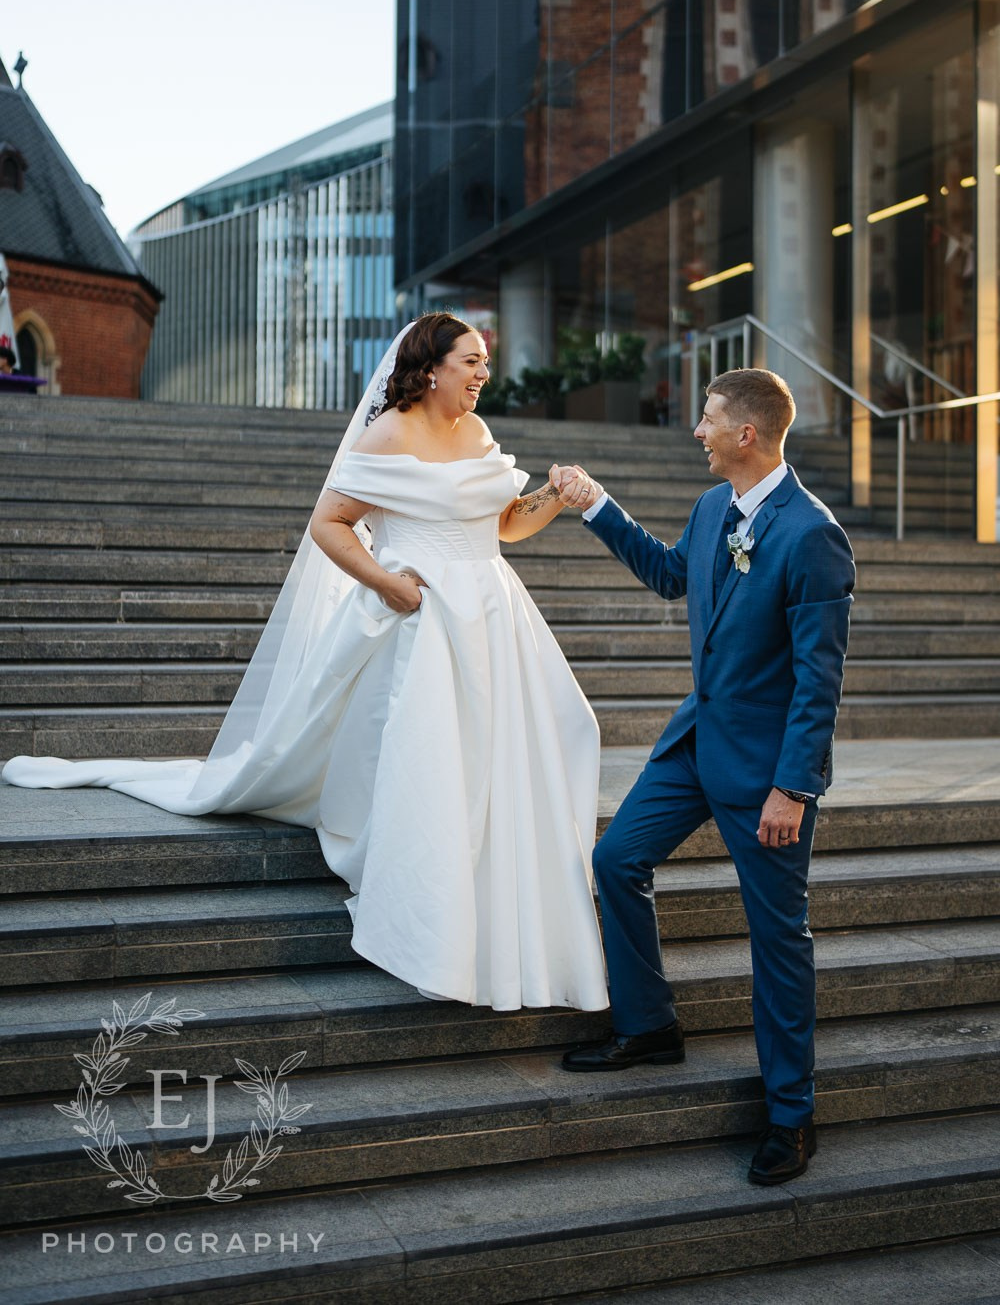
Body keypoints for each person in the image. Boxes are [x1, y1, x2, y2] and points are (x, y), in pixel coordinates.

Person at [2, 314, 609, 1013]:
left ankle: (496, 898)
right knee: (433, 760)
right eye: (471, 361)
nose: (482, 375)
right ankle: (431, 919)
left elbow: (504, 524)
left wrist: (557, 498)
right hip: (426, 621)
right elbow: (329, 522)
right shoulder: (388, 433)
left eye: (483, 363)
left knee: (517, 751)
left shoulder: (475, 433)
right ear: (431, 366)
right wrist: (386, 582)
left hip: (496, 619)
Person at [553, 368, 855, 1184]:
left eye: (709, 418)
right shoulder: (713, 507)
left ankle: (792, 1116)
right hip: (697, 743)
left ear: (746, 434)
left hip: (766, 774)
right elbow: (672, 575)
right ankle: (650, 1027)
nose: (698, 430)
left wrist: (794, 789)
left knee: (778, 940)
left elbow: (817, 682)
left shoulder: (812, 535)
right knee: (616, 860)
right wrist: (596, 506)